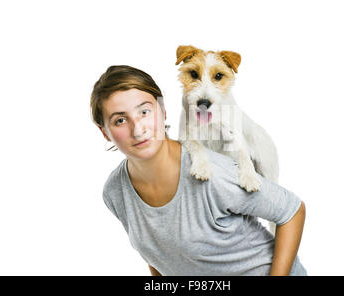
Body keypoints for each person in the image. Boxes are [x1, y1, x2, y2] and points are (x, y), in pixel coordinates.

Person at [90, 65, 307, 276]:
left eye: (144, 111)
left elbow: (292, 210)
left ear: (163, 110)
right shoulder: (115, 191)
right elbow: (157, 253)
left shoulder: (213, 173)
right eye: (120, 120)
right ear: (105, 132)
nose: (138, 129)